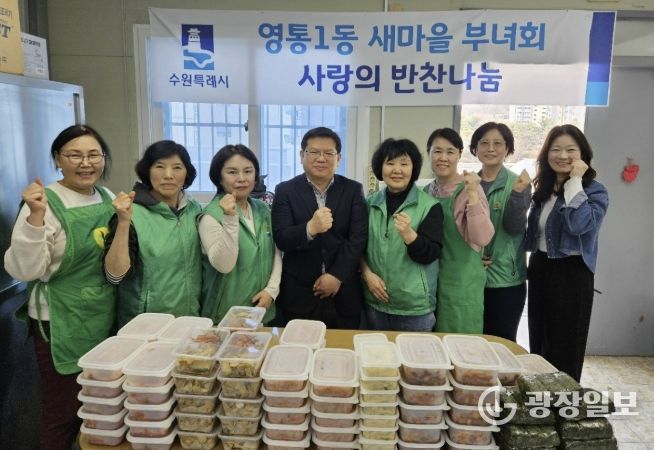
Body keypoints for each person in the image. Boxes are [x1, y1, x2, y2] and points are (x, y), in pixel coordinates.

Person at [3, 125, 115, 450]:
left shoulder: (107, 197)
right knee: (63, 411)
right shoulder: (44, 202)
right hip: (59, 319)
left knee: (99, 405)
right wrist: (35, 217)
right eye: (74, 155)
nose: (86, 163)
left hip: (101, 313)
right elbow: (24, 269)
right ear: (57, 159)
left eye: (93, 155)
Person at [526, 124, 609, 381]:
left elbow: (579, 225)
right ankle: (539, 396)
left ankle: (564, 399)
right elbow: (534, 234)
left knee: (566, 345)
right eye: (556, 149)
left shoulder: (595, 191)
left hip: (572, 273)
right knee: (539, 340)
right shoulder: (543, 189)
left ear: (583, 154)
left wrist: (575, 182)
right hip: (540, 267)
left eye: (570, 150)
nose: (562, 156)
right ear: (547, 154)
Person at [271, 127, 368, 329]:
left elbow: (358, 238)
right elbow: (281, 238)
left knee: (342, 346)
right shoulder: (284, 190)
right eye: (314, 152)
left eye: (328, 153)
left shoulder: (353, 190)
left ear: (338, 158)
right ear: (302, 155)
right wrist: (310, 228)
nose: (321, 158)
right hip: (299, 294)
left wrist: (337, 275)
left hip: (343, 292)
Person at [103, 140, 202, 327]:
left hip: (189, 320)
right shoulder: (131, 213)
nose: (168, 175)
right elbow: (114, 276)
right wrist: (123, 222)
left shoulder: (194, 209)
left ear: (187, 174)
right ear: (147, 171)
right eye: (159, 166)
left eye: (177, 167)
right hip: (145, 325)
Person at [361, 138, 443, 332]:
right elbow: (358, 246)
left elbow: (431, 254)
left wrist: (409, 235)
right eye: (390, 163)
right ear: (380, 168)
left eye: (404, 164)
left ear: (413, 169)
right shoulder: (370, 203)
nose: (397, 170)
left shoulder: (429, 206)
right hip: (375, 302)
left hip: (414, 308)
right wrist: (366, 274)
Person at [199, 144, 281, 324]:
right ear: (219, 178)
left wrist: (271, 290)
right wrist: (229, 218)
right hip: (226, 314)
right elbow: (224, 265)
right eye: (232, 172)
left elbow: (276, 252)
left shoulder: (261, 208)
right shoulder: (210, 216)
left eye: (248, 171)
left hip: (262, 308)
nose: (242, 178)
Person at [424, 128, 494, 333]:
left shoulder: (469, 189)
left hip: (462, 285)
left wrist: (472, 193)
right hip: (430, 283)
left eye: (450, 152)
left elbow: (482, 237)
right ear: (429, 153)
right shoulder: (426, 191)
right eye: (437, 151)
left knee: (460, 345)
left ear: (459, 154)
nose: (443, 158)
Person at [470, 122, 531, 342]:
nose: (490, 148)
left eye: (498, 143)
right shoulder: (468, 184)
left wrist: (516, 194)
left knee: (501, 343)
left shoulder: (519, 183)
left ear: (508, 149)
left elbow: (514, 227)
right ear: (475, 148)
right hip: (472, 277)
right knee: (472, 342)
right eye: (484, 143)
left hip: (506, 279)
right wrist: (472, 258)